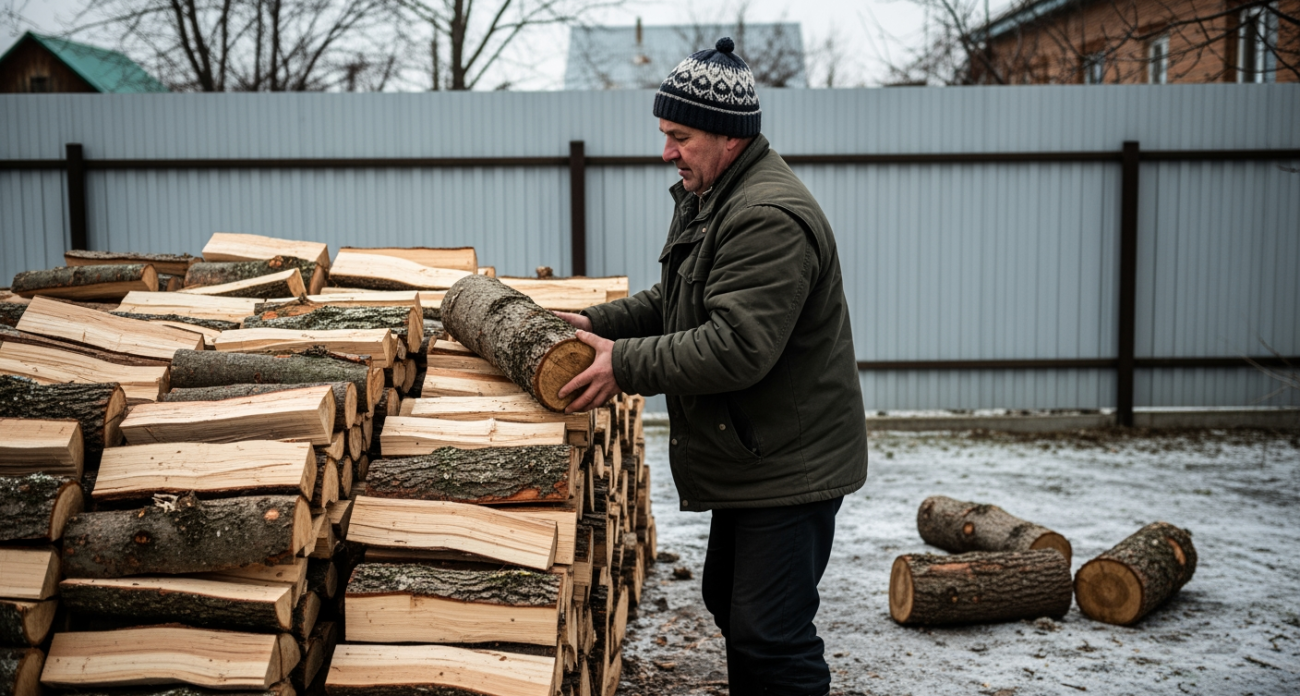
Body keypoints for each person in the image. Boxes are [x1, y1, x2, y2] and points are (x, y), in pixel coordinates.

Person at [554, 37, 868, 696]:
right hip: (757, 454)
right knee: (732, 604)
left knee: (771, 635)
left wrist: (623, 364)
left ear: (729, 135)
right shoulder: (719, 194)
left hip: (791, 463)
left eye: (681, 136)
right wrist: (596, 323)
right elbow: (679, 298)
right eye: (665, 134)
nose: (666, 152)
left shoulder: (765, 216)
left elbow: (736, 345)